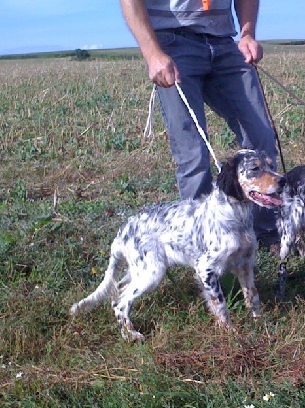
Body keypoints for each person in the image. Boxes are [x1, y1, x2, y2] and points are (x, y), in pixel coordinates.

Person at [120, 0, 280, 246]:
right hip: (173, 44)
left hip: (224, 42)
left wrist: (247, 34)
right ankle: (203, 243)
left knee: (262, 138)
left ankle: (265, 234)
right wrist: (152, 53)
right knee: (193, 153)